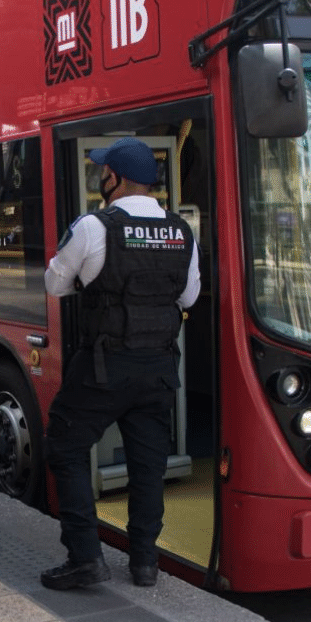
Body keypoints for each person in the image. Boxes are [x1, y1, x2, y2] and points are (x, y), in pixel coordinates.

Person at [40, 137, 200, 591]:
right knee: (148, 464)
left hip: (104, 367)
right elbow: (188, 297)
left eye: (103, 171)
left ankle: (85, 557)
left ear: (117, 178)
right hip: (158, 369)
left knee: (66, 448)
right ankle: (144, 563)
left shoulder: (94, 226)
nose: (100, 178)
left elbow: (56, 284)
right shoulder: (180, 231)